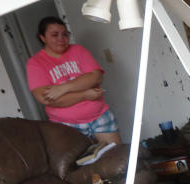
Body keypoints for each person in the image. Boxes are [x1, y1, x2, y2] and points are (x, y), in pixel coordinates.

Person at [26, 17, 121, 157]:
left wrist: (63, 88)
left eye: (65, 34)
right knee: (82, 168)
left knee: (119, 158)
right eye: (54, 35)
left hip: (100, 116)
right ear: (42, 38)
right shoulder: (35, 63)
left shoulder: (78, 51)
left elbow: (96, 77)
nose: (61, 39)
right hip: (66, 125)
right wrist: (84, 94)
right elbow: (47, 99)